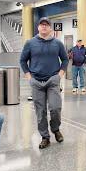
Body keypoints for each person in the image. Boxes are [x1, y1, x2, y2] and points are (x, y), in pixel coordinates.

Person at [19, 17, 68, 149]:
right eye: (42, 25)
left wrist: (60, 75)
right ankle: (45, 137)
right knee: (40, 112)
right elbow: (23, 61)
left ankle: (56, 129)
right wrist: (29, 77)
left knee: (55, 108)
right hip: (36, 81)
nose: (44, 27)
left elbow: (65, 59)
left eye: (47, 25)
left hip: (53, 80)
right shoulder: (30, 43)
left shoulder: (57, 43)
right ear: (38, 27)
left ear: (51, 28)